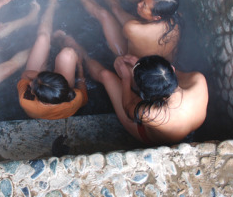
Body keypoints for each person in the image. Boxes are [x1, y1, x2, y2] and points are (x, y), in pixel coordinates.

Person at [59, 35, 208, 145]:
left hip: (147, 131)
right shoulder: (198, 80)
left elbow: (128, 108)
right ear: (172, 69)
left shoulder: (151, 113)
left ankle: (83, 56)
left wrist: (126, 79)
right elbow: (165, 74)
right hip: (181, 123)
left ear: (145, 96)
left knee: (107, 76)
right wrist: (139, 64)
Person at [58, 0, 182, 62]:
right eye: (143, 0)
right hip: (155, 62)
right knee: (116, 6)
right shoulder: (175, 20)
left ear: (157, 18)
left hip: (131, 64)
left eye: (144, 5)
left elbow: (120, 15)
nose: (138, 4)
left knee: (107, 12)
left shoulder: (132, 28)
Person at [18, 0, 88, 120]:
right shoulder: (75, 98)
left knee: (42, 37)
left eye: (33, 86)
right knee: (68, 53)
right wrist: (79, 67)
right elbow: (83, 96)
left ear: (34, 93)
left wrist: (40, 77)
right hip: (58, 93)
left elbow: (25, 75)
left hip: (41, 101)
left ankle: (52, 3)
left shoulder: (26, 100)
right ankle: (53, 7)